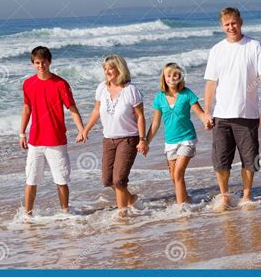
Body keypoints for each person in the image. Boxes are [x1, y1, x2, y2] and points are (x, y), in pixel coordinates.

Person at [203, 7, 261, 212]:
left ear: (240, 22)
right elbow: (210, 83)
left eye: (234, 23)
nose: (231, 27)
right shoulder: (216, 50)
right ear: (221, 26)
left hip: (248, 114)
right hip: (222, 115)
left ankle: (246, 195)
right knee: (221, 160)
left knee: (250, 159)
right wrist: (207, 111)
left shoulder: (254, 46)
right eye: (227, 24)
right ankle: (224, 195)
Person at [19, 46, 85, 216]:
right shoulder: (28, 84)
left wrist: (81, 130)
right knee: (31, 180)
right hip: (35, 141)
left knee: (61, 180)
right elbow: (27, 109)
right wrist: (22, 133)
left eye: (44, 62)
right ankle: (27, 215)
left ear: (50, 62)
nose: (41, 66)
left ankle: (66, 212)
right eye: (37, 63)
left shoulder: (61, 84)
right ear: (33, 63)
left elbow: (72, 108)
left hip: (56, 141)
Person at [82, 54, 148, 217]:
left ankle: (122, 214)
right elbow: (96, 110)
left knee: (119, 180)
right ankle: (131, 198)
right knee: (107, 180)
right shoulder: (101, 89)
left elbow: (140, 116)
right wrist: (85, 130)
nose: (107, 71)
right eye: (105, 69)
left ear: (119, 69)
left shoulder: (131, 90)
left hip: (128, 139)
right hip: (108, 139)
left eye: (110, 68)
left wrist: (142, 139)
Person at [146, 63, 210, 204]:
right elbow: (155, 123)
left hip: (187, 139)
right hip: (170, 142)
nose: (172, 78)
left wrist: (207, 121)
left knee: (178, 173)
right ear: (164, 78)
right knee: (173, 177)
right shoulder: (159, 98)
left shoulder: (187, 94)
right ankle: (186, 199)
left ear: (180, 77)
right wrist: (145, 142)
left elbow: (200, 113)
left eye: (175, 75)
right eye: (169, 75)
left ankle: (181, 207)